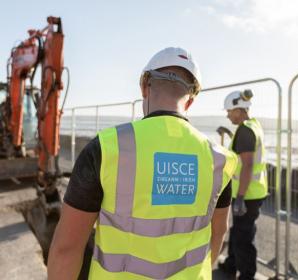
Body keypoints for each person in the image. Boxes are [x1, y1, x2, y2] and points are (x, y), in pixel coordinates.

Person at [47, 47, 237, 280]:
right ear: (190, 101)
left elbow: (67, 249)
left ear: (145, 86)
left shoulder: (108, 148)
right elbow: (218, 233)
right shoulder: (220, 159)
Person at [219, 90, 268, 280]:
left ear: (239, 110)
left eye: (229, 111)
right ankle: (231, 264)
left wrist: (240, 198)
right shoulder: (251, 126)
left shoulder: (246, 131)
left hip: (247, 194)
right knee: (238, 231)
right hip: (252, 191)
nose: (228, 114)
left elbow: (247, 165)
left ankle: (247, 275)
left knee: (243, 237)